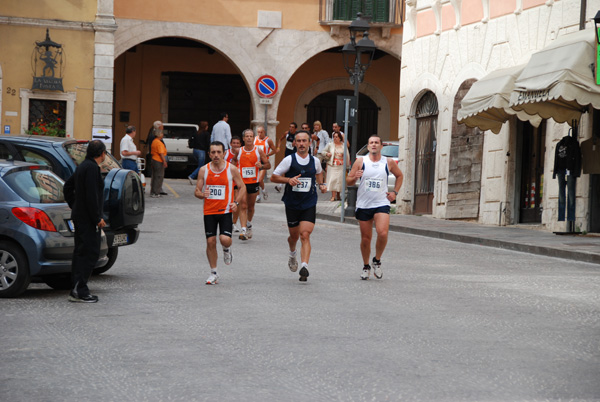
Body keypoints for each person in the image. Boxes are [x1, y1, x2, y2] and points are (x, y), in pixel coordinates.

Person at [271, 131, 327, 282]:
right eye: (299, 141)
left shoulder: (314, 161)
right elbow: (273, 177)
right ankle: (292, 254)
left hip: (309, 202)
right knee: (294, 236)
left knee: (305, 234)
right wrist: (288, 180)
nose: (302, 144)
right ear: (294, 143)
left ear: (310, 143)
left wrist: (322, 184)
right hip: (292, 203)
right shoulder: (289, 160)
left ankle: (304, 266)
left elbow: (319, 172)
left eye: (304, 141)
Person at [346, 135, 404, 280]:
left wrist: (395, 192)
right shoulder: (361, 161)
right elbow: (349, 180)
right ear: (368, 145)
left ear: (381, 146)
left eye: (376, 143)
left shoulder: (388, 162)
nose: (373, 145)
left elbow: (400, 176)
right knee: (366, 238)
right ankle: (366, 266)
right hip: (364, 204)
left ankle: (376, 260)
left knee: (382, 233)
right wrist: (354, 177)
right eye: (371, 142)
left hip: (381, 203)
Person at [194, 141, 246, 285]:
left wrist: (236, 202)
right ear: (209, 154)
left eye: (219, 152)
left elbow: (242, 187)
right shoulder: (204, 170)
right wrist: (202, 194)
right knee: (210, 241)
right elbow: (196, 191)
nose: (216, 155)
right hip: (209, 211)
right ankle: (214, 273)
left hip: (225, 211)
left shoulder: (232, 169)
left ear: (224, 153)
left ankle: (227, 248)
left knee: (224, 239)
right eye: (213, 152)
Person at [63, 140, 107, 302]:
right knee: (90, 252)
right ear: (101, 153)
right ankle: (79, 289)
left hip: (81, 216)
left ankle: (76, 289)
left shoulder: (82, 166)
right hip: (88, 219)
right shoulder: (91, 169)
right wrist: (97, 218)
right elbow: (91, 196)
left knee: (82, 252)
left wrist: (75, 205)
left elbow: (67, 187)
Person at [238, 128, 271, 240]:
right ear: (243, 138)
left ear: (253, 138)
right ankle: (243, 230)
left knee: (251, 207)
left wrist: (261, 166)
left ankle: (248, 224)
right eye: (246, 136)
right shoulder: (239, 151)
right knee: (243, 205)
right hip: (242, 183)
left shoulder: (259, 151)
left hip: (253, 182)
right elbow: (232, 163)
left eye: (251, 136)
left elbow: (268, 165)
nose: (248, 138)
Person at [322, 131, 350, 201]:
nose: (335, 138)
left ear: (340, 138)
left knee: (339, 181)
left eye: (336, 137)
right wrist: (327, 154)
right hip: (332, 165)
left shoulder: (343, 146)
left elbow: (347, 155)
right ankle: (333, 196)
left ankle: (338, 195)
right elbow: (323, 152)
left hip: (341, 165)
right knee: (333, 180)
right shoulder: (330, 145)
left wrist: (347, 165)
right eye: (334, 137)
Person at [253, 125, 276, 202]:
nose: (259, 134)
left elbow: (274, 150)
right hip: (256, 161)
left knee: (259, 179)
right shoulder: (254, 139)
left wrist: (267, 155)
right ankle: (258, 195)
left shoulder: (268, 140)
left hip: (263, 162)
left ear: (264, 132)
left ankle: (263, 190)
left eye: (261, 132)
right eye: (258, 132)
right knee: (256, 179)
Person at [225, 136, 242, 232]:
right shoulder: (226, 153)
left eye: (237, 143)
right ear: (230, 144)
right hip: (226, 181)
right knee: (226, 202)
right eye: (234, 143)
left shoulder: (242, 153)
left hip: (237, 181)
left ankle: (234, 223)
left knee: (236, 202)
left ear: (240, 144)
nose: (235, 144)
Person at [275, 122, 298, 192]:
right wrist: (278, 147)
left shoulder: (297, 135)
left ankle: (295, 183)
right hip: (287, 153)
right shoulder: (286, 133)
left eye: (292, 127)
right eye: (290, 127)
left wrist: (296, 144)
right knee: (285, 167)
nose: (291, 128)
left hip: (294, 153)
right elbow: (280, 139)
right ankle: (280, 185)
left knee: (294, 168)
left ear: (295, 129)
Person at [151, 126, 168, 198]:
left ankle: (153, 191)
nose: (163, 135)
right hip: (158, 160)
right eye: (161, 134)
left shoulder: (154, 141)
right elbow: (161, 153)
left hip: (153, 159)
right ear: (159, 135)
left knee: (154, 176)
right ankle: (156, 192)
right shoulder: (159, 143)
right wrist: (164, 161)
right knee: (159, 176)